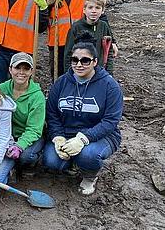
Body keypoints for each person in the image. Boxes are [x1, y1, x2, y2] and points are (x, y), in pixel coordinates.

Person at [43, 32, 123, 195]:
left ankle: (90, 175)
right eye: (75, 60)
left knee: (87, 155)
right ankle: (71, 163)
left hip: (101, 136)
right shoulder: (61, 83)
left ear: (94, 62)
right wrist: (58, 137)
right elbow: (52, 113)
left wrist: (83, 138)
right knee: (51, 161)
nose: (79, 64)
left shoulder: (110, 86)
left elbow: (110, 121)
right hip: (66, 133)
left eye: (85, 60)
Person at [0, 53, 45, 177]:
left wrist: (19, 145)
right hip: (7, 136)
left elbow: (34, 129)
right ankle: (11, 166)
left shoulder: (37, 96)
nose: (21, 72)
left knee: (26, 155)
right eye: (17, 68)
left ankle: (30, 164)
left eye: (26, 69)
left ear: (31, 72)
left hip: (31, 136)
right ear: (10, 69)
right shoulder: (1, 89)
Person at [64, 0, 115, 74]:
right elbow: (68, 54)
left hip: (99, 71)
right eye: (90, 7)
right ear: (84, 10)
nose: (93, 11)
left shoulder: (104, 26)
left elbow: (109, 51)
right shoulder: (76, 27)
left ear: (102, 11)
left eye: (97, 8)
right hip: (81, 71)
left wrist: (109, 72)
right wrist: (69, 75)